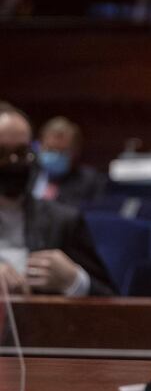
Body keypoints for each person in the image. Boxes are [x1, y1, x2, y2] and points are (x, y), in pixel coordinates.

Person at [0, 103, 115, 296]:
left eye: (21, 153)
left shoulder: (63, 221)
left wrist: (75, 281)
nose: (13, 162)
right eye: (1, 153)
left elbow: (113, 303)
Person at [32, 116, 105, 207]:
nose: (55, 156)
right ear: (40, 146)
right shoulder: (28, 174)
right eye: (50, 150)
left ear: (75, 152)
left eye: (62, 151)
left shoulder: (90, 181)